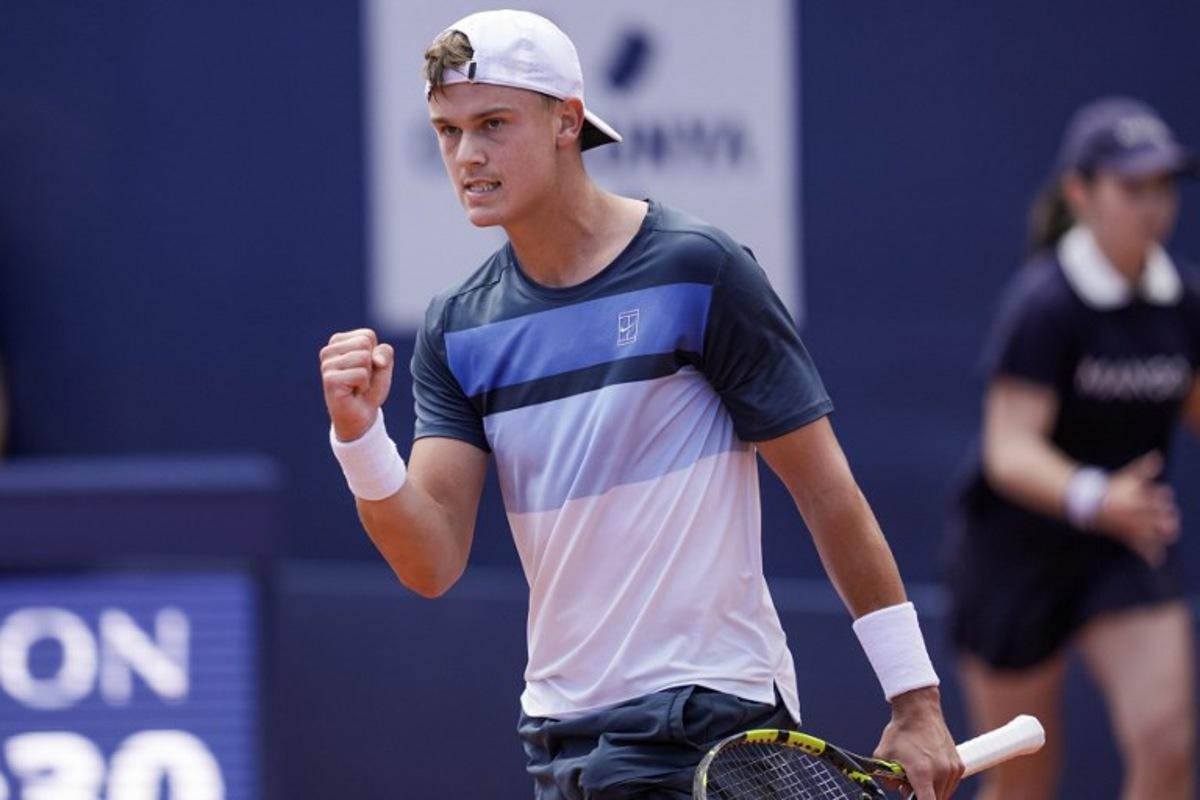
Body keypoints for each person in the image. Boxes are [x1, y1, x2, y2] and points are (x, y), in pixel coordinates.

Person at [320, 10, 961, 799]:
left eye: (492, 124)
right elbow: (429, 562)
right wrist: (359, 440)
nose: (468, 156)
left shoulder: (700, 269)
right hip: (559, 738)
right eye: (448, 132)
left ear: (568, 122)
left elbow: (826, 491)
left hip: (702, 719)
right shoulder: (459, 327)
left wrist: (916, 700)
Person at [946, 96, 1200, 800]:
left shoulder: (1181, 303)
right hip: (1014, 558)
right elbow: (1010, 450)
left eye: (1163, 187)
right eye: (1132, 187)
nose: (1153, 206)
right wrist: (1097, 495)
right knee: (1024, 782)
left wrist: (1117, 512)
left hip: (1124, 549)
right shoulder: (1044, 304)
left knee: (1168, 743)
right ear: (1081, 193)